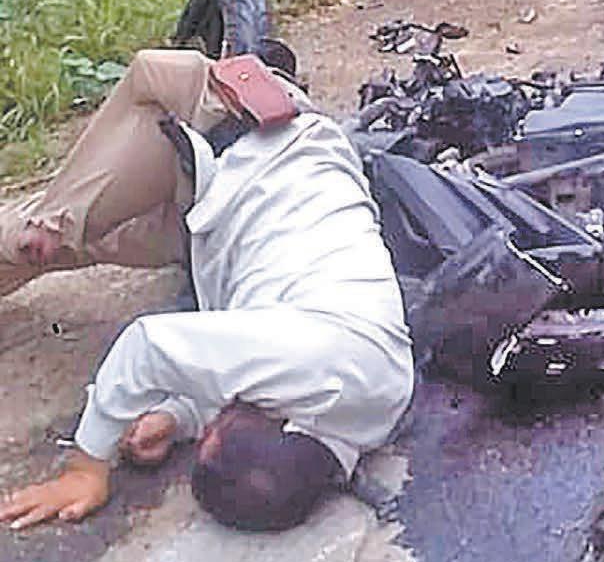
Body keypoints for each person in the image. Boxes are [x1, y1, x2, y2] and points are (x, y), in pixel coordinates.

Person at [0, 46, 413, 535]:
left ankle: (48, 223)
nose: (209, 426)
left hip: (209, 225)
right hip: (248, 131)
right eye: (218, 427)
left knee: (47, 247)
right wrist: (88, 466)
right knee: (145, 78)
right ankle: (54, 215)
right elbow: (146, 346)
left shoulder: (358, 422)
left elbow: (257, 387)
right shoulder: (321, 362)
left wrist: (177, 419)